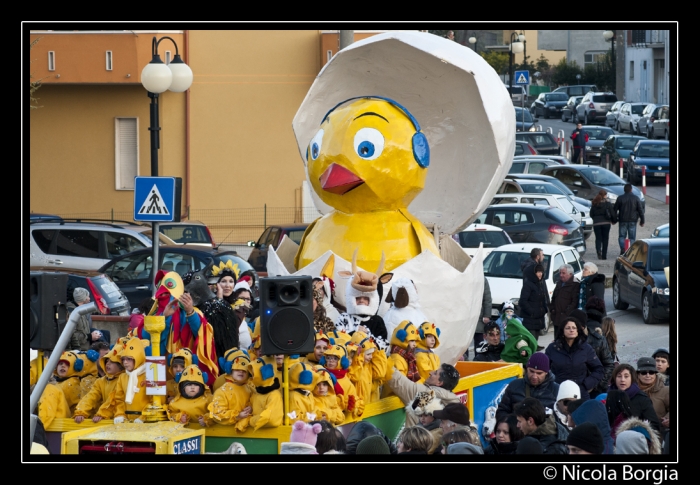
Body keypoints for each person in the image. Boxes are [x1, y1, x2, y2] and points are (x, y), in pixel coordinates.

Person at [545, 316, 605, 401]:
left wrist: (586, 384)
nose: (571, 330)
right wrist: (551, 385)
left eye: (574, 328)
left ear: (578, 331)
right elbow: (544, 370)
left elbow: (599, 369)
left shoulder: (586, 348)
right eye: (568, 328)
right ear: (562, 331)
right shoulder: (552, 348)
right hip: (558, 392)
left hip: (580, 393)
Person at [386, 363, 462, 428]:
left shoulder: (426, 394)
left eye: (435, 373)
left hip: (413, 442)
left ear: (439, 383)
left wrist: (381, 357)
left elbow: (397, 380)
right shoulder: (453, 401)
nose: (430, 373)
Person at [496, 352, 559, 421]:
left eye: (539, 373)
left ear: (546, 373)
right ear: (526, 369)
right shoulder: (514, 386)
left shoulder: (556, 390)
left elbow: (562, 419)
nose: (534, 376)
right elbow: (502, 411)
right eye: (531, 371)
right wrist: (512, 424)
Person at [73, 349, 125, 423]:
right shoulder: (100, 381)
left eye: (112, 362)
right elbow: (91, 397)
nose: (107, 364)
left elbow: (113, 399)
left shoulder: (124, 380)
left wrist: (102, 414)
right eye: (106, 361)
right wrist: (81, 412)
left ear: (121, 365)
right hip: (107, 420)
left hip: (121, 419)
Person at [207, 349, 253, 430]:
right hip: (228, 433)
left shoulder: (251, 390)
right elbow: (217, 413)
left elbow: (258, 404)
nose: (241, 372)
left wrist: (252, 408)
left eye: (244, 370)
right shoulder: (222, 391)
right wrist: (237, 416)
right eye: (237, 369)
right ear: (230, 371)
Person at [575, 305, 614, 397]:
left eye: (576, 326)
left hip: (594, 390)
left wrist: (597, 385)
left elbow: (609, 364)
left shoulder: (598, 339)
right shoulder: (566, 342)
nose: (573, 330)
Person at [608, 363, 661, 432]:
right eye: (619, 376)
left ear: (632, 378)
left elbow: (654, 425)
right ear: (615, 378)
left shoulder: (641, 398)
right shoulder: (608, 396)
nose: (622, 380)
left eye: (626, 376)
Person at [112, 338, 152, 423]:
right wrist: (120, 414)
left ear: (138, 358)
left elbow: (154, 401)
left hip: (146, 422)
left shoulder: (150, 375)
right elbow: (119, 399)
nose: (125, 362)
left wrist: (143, 417)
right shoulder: (122, 377)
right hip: (127, 421)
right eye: (123, 359)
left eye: (129, 359)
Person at [245, 356, 283, 431]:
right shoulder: (257, 393)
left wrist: (250, 420)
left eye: (254, 374)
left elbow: (270, 420)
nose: (252, 378)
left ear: (265, 373)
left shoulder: (274, 395)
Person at [636, 357, 670, 435]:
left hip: (660, 434)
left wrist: (668, 419)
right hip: (637, 435)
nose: (648, 375)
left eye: (651, 372)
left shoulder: (666, 390)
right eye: (644, 372)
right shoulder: (632, 392)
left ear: (655, 374)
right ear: (638, 374)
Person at [519, 263, 550, 342]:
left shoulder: (540, 283)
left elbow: (543, 299)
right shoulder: (528, 284)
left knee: (535, 341)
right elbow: (523, 301)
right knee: (531, 342)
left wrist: (544, 309)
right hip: (530, 319)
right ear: (533, 273)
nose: (540, 274)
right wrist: (532, 312)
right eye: (538, 272)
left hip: (538, 319)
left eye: (541, 272)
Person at [549, 264, 580, 337]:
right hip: (556, 319)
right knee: (557, 340)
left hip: (567, 320)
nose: (561, 275)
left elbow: (574, 302)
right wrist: (552, 310)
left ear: (570, 274)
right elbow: (554, 298)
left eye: (563, 273)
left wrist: (566, 314)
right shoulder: (559, 283)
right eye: (560, 273)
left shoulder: (575, 284)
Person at [613, 183, 645, 255]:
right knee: (632, 237)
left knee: (621, 236)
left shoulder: (620, 198)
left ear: (624, 190)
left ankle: (623, 249)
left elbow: (614, 210)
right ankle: (631, 251)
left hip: (622, 220)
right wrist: (642, 221)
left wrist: (614, 220)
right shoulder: (636, 198)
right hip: (633, 220)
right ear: (631, 189)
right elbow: (640, 210)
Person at [589, 189, 617, 260]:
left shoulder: (594, 204)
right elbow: (612, 214)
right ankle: (604, 256)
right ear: (604, 195)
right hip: (606, 223)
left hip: (597, 223)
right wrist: (614, 221)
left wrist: (595, 219)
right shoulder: (607, 204)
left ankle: (598, 251)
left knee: (598, 238)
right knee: (605, 239)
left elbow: (591, 214)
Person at [470, 277, 492, 355]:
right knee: (464, 343)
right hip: (466, 316)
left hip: (479, 315)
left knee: (479, 340)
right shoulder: (464, 277)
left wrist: (487, 315)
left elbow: (487, 299)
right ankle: (463, 360)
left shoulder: (482, 279)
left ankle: (478, 359)